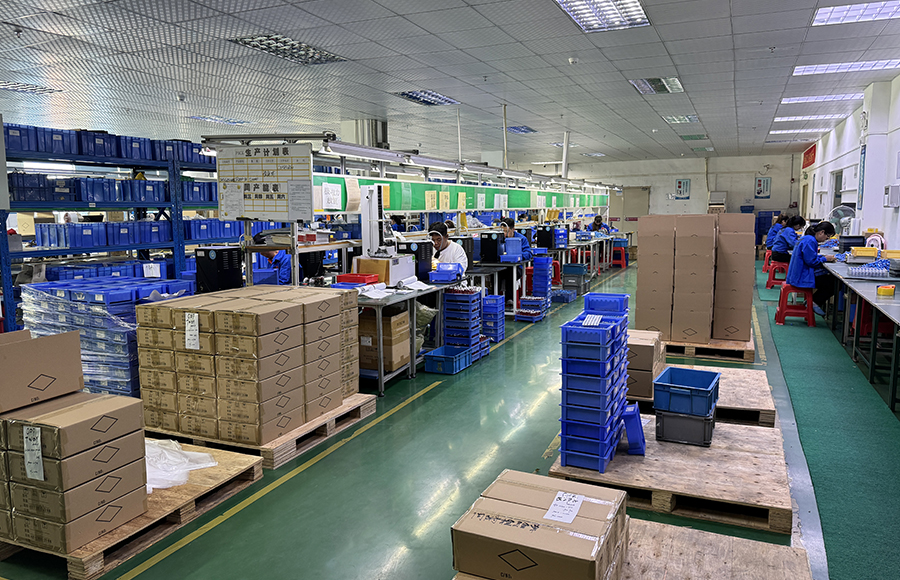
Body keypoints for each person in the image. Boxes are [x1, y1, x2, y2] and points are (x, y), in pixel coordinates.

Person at [786, 221, 837, 316]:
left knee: (828, 278)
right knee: (834, 283)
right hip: (801, 277)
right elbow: (812, 262)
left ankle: (813, 301)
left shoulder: (806, 238)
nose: (826, 239)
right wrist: (825, 259)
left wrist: (823, 257)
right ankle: (814, 302)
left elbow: (810, 257)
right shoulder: (810, 241)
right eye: (827, 236)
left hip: (797, 274)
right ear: (821, 232)